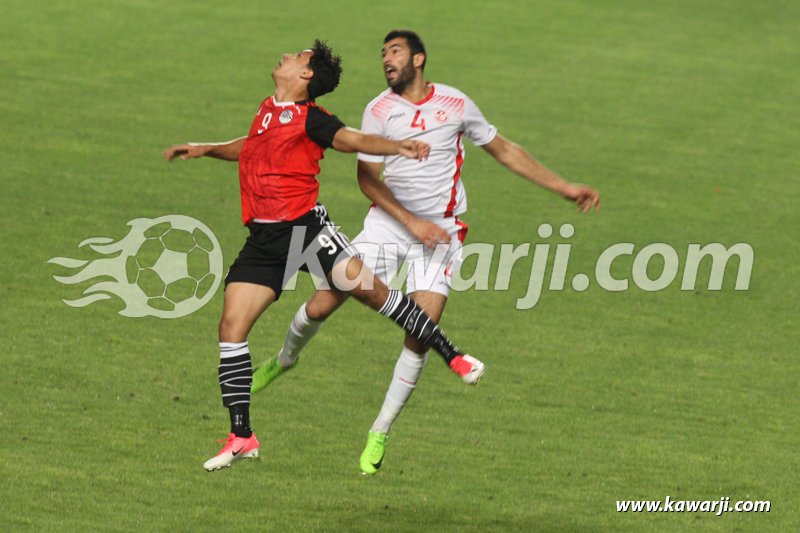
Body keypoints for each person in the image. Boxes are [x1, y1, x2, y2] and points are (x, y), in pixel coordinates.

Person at [251, 30, 601, 475]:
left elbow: (504, 150)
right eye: (382, 54)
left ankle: (380, 430)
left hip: (441, 234)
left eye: (394, 52)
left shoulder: (455, 104)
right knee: (322, 303)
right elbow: (367, 180)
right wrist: (410, 221)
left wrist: (564, 187)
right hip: (387, 225)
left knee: (420, 331)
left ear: (419, 58)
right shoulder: (378, 110)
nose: (386, 60)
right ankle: (284, 360)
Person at [163, 40, 484, 472]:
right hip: (263, 239)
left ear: (306, 75)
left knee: (376, 296)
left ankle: (453, 354)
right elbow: (253, 146)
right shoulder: (269, 109)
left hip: (307, 231)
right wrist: (206, 148)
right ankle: (242, 435)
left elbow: (352, 140)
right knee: (231, 327)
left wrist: (398, 147)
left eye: (296, 56)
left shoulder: (313, 119)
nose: (285, 56)